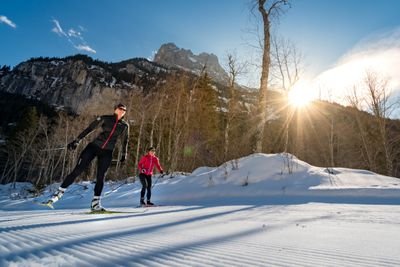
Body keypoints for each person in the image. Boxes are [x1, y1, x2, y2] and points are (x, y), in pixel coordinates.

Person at [43, 103, 129, 211]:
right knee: (78, 170)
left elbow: (125, 141)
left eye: (124, 110)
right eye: (120, 109)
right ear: (115, 109)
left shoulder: (124, 126)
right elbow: (90, 129)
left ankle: (95, 203)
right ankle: (57, 195)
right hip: (93, 147)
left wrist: (124, 154)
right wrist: (77, 141)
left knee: (101, 177)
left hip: (107, 152)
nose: (122, 111)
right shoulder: (105, 118)